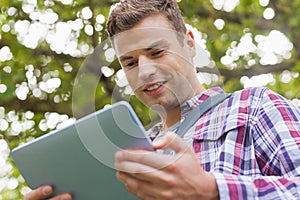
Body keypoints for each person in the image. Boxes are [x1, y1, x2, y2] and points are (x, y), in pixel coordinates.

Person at [25, 0, 300, 199]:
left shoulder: (254, 107)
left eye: (156, 52)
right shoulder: (128, 150)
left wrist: (212, 190)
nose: (144, 71)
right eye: (130, 62)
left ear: (189, 43)